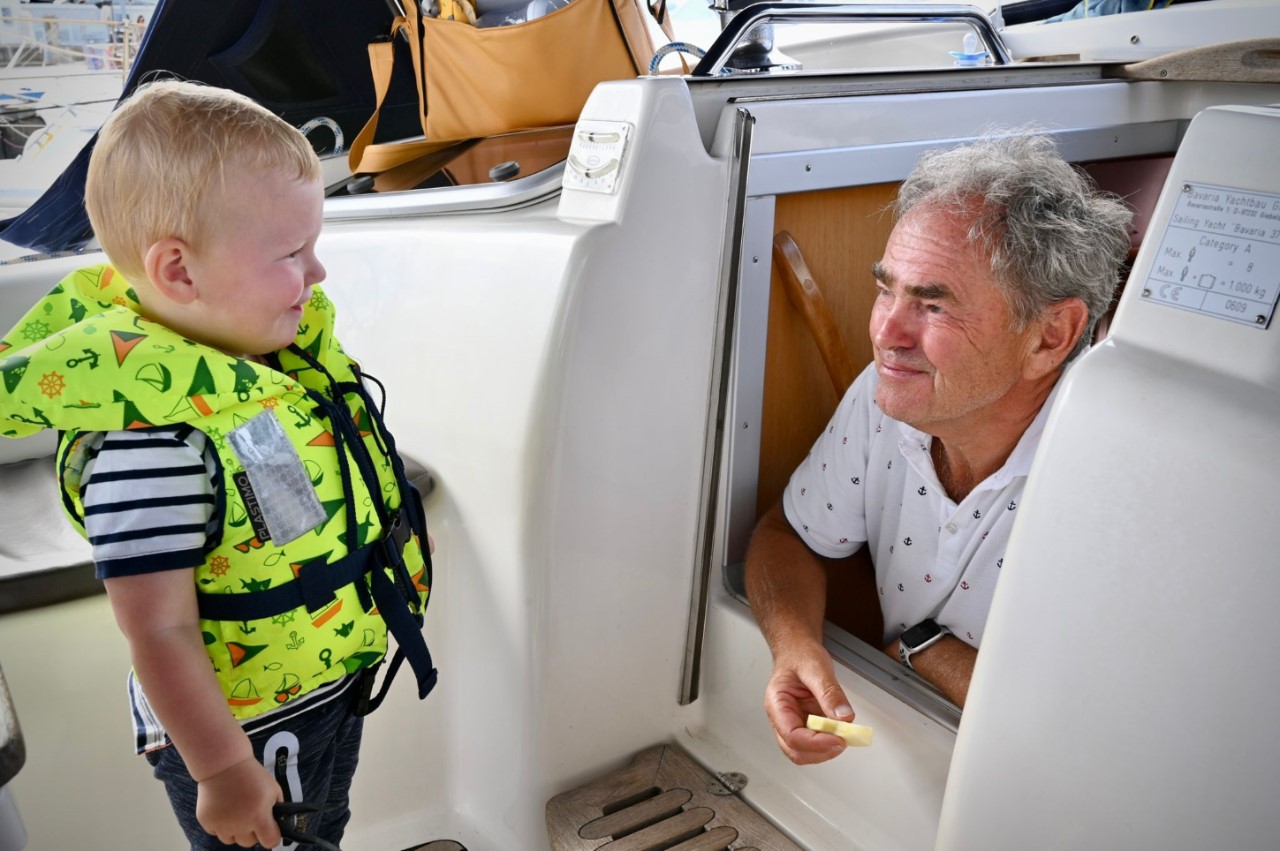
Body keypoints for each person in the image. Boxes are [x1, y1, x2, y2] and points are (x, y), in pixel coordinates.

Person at [0, 80, 438, 848]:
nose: (317, 274)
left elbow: (287, 518)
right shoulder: (150, 448)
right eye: (292, 253)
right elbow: (158, 629)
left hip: (321, 691)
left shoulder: (253, 374)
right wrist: (224, 768)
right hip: (245, 730)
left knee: (323, 831)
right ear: (179, 272)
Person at [744, 133, 1132, 765]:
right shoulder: (890, 394)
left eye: (932, 305)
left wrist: (925, 650)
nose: (886, 333)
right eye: (886, 291)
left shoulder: (1117, 481)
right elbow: (790, 535)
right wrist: (795, 648)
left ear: (1050, 336)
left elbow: (1092, 746)